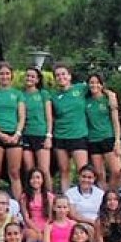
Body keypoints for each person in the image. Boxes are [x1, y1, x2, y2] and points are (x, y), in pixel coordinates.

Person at [0, 62, 26, 197]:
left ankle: (20, 207)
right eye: (2, 73)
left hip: (14, 134)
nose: (4, 76)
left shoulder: (18, 94)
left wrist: (17, 134)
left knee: (14, 172)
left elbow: (21, 117)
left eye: (7, 73)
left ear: (11, 75)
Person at [49, 64, 89, 193]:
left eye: (63, 74)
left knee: (83, 171)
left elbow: (98, 88)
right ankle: (65, 199)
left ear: (69, 76)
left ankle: (85, 197)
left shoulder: (81, 89)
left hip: (78, 135)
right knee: (64, 170)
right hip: (61, 136)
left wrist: (111, 96)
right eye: (58, 75)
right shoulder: (54, 96)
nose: (61, 77)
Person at [85, 74, 121, 189]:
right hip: (93, 139)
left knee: (116, 171)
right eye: (91, 82)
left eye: (96, 82)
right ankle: (103, 198)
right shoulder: (86, 101)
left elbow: (115, 121)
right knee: (99, 174)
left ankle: (112, 194)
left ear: (101, 85)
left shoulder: (108, 100)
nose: (94, 85)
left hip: (108, 137)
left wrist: (117, 141)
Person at [20, 66, 54, 190]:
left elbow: (49, 117)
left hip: (41, 134)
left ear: (38, 80)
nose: (29, 78)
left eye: (33, 76)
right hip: (26, 135)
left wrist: (49, 135)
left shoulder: (43, 94)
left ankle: (50, 199)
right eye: (28, 76)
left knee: (44, 170)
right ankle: (31, 199)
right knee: (29, 170)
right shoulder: (21, 95)